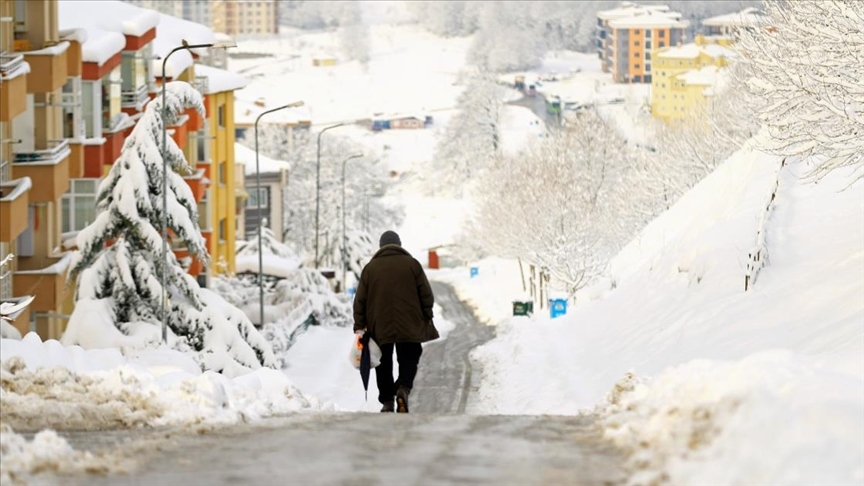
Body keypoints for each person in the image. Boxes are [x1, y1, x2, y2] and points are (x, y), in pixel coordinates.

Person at [353, 230, 438, 413]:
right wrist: (426, 314)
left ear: (381, 246)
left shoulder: (370, 268)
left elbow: (360, 300)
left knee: (382, 362)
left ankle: (387, 401)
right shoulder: (412, 265)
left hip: (379, 325)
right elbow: (427, 295)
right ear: (399, 245)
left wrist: (359, 326)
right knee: (409, 356)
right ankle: (403, 388)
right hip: (410, 322)